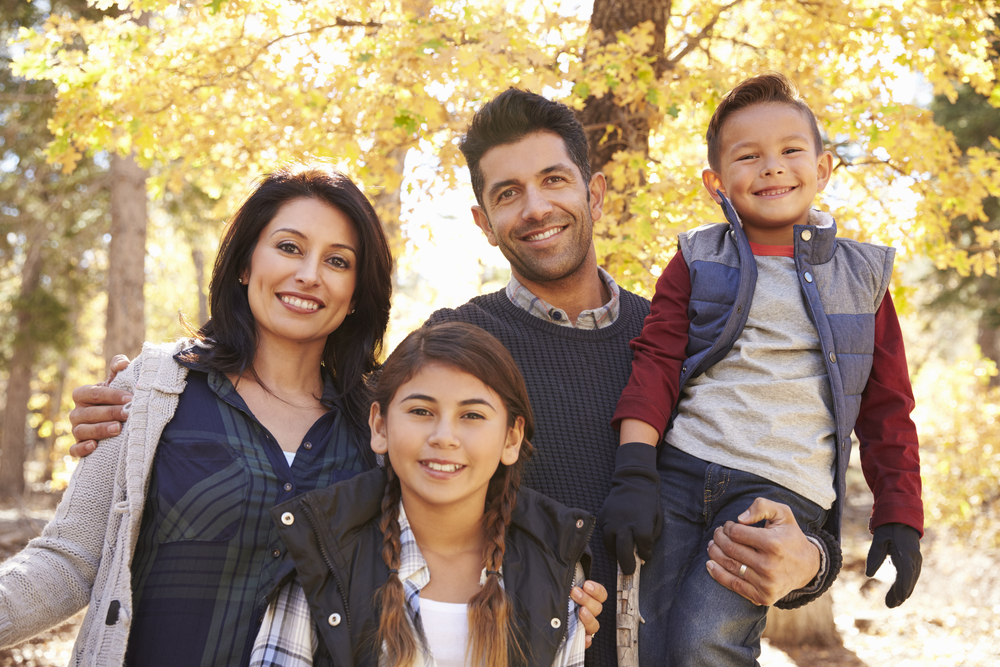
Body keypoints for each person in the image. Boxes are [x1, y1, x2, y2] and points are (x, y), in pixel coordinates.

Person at [68, 88, 829, 667]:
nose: (537, 209)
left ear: (593, 194)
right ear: (482, 220)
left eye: (555, 181)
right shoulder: (454, 350)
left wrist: (811, 562)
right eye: (507, 193)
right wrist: (142, 407)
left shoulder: (684, 336)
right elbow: (375, 484)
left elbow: (786, 478)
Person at [0, 164, 394, 666]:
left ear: (358, 292)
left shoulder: (380, 427)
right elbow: (69, 562)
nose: (309, 275)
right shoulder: (152, 388)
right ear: (245, 263)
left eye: (338, 261)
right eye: (289, 247)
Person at [599, 73, 924, 666]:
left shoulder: (862, 279)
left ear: (824, 168)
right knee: (640, 637)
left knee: (706, 638)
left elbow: (887, 408)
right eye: (749, 156)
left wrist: (899, 514)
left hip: (776, 490)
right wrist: (634, 470)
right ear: (716, 182)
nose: (772, 167)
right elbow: (657, 362)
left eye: (790, 151)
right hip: (680, 469)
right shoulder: (697, 259)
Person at [250, 321, 592, 667]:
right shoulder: (323, 553)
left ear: (511, 438)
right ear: (380, 426)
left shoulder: (554, 564)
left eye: (472, 415)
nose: (444, 436)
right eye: (421, 411)